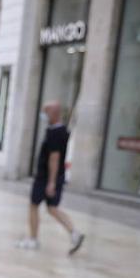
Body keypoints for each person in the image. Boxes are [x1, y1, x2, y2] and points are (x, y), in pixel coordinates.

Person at [18, 101, 85, 254]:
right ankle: (74, 233)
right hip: (54, 176)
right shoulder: (61, 131)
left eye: (45, 112)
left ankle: (33, 239)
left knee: (34, 205)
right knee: (52, 208)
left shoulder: (55, 133)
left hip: (46, 177)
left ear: (53, 113)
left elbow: (54, 158)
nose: (43, 115)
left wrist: (51, 182)